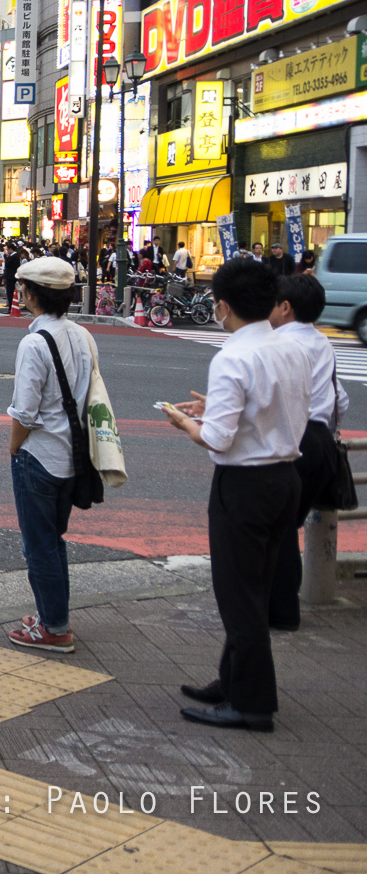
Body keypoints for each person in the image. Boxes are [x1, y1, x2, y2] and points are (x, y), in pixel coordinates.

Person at [161, 259, 308, 731]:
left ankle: (251, 703)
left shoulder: (232, 357)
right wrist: (215, 408)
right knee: (257, 587)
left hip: (244, 485)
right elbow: (276, 407)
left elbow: (217, 439)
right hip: (285, 477)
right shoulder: (291, 348)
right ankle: (232, 680)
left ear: (222, 306)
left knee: (238, 594)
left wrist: (186, 420)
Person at [5, 258, 95, 653]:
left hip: (39, 456)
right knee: (53, 540)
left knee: (38, 544)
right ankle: (52, 615)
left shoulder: (34, 343)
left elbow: (24, 411)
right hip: (73, 457)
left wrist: (13, 449)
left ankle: (54, 628)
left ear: (31, 294)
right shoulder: (83, 335)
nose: (19, 292)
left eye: (21, 287)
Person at [268, 274, 347, 631]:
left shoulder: (276, 343)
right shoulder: (323, 343)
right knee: (285, 527)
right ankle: (281, 609)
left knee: (275, 528)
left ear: (285, 307)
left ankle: (280, 612)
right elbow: (339, 398)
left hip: (293, 438)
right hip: (322, 444)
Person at [2, 243, 23, 314]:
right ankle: (11, 307)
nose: (7, 251)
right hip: (12, 276)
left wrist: (7, 258)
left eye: (8, 249)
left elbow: (7, 265)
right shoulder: (16, 256)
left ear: (11, 249)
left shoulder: (14, 257)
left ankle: (10, 307)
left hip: (10, 276)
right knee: (10, 292)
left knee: (10, 292)